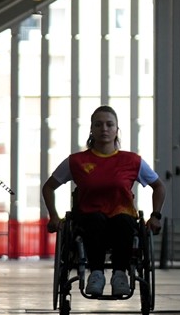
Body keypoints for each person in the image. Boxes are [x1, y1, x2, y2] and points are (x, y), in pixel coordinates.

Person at [42, 105, 165, 297]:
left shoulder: (132, 161)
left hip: (122, 216)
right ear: (91, 129)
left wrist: (155, 215)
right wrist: (54, 216)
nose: (104, 129)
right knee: (96, 219)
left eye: (109, 124)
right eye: (98, 125)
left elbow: (159, 186)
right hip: (89, 217)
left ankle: (119, 275)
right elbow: (48, 187)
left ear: (117, 129)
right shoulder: (76, 161)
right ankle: (96, 273)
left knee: (123, 221)